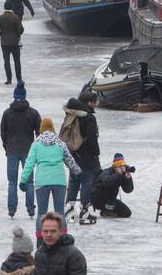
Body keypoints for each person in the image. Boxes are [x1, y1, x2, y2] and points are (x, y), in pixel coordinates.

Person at [19, 117, 80, 237]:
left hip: (42, 181)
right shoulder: (60, 143)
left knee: (41, 213)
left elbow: (29, 163)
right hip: (59, 181)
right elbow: (70, 161)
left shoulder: (36, 144)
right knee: (60, 213)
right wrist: (78, 172)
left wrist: (23, 180)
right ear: (53, 128)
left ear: (41, 129)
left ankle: (40, 239)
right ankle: (62, 238)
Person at [0, 82, 41, 219]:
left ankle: (12, 209)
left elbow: (3, 132)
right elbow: (39, 132)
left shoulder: (7, 113)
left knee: (12, 181)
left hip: (12, 150)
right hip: (28, 150)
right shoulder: (33, 113)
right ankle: (30, 209)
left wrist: (7, 146)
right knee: (29, 181)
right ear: (24, 96)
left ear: (14, 96)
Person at [62, 94, 101, 223]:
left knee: (74, 181)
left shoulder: (72, 114)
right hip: (87, 156)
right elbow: (92, 138)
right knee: (86, 183)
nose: (96, 104)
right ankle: (84, 212)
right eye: (95, 101)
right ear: (89, 102)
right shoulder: (89, 118)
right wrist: (96, 153)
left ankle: (69, 210)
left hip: (73, 153)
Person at [91, 153, 135, 218]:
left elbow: (128, 190)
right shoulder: (107, 172)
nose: (120, 167)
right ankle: (107, 211)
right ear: (114, 166)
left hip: (110, 199)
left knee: (127, 213)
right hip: (98, 199)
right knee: (114, 184)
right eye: (118, 165)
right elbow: (108, 182)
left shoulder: (122, 174)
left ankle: (107, 210)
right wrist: (118, 175)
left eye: (122, 165)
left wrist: (128, 179)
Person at [0, 4, 25, 84]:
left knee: (6, 61)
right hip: (14, 42)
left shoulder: (0, 18)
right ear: (11, 8)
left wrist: (1, 34)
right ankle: (19, 79)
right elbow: (21, 29)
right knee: (17, 61)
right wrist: (17, 35)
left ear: (4, 8)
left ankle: (9, 79)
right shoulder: (16, 17)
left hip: (4, 43)